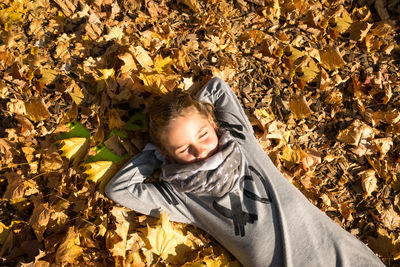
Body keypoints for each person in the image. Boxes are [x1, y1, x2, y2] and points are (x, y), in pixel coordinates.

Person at [105, 77, 384, 266]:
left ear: (214, 124)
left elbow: (216, 87)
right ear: (168, 154)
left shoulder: (240, 141)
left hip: (343, 256)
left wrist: (195, 115)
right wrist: (155, 153)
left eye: (202, 135)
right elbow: (120, 188)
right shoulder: (181, 196)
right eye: (184, 149)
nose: (201, 151)